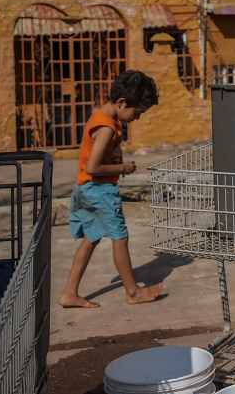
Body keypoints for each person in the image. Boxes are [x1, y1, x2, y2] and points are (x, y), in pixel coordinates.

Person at [59, 70, 166, 309]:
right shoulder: (106, 127)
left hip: (88, 188)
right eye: (137, 113)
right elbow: (93, 166)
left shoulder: (104, 117)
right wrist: (123, 167)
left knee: (91, 238)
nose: (136, 118)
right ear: (121, 103)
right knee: (120, 237)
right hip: (98, 190)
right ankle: (133, 292)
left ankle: (69, 293)